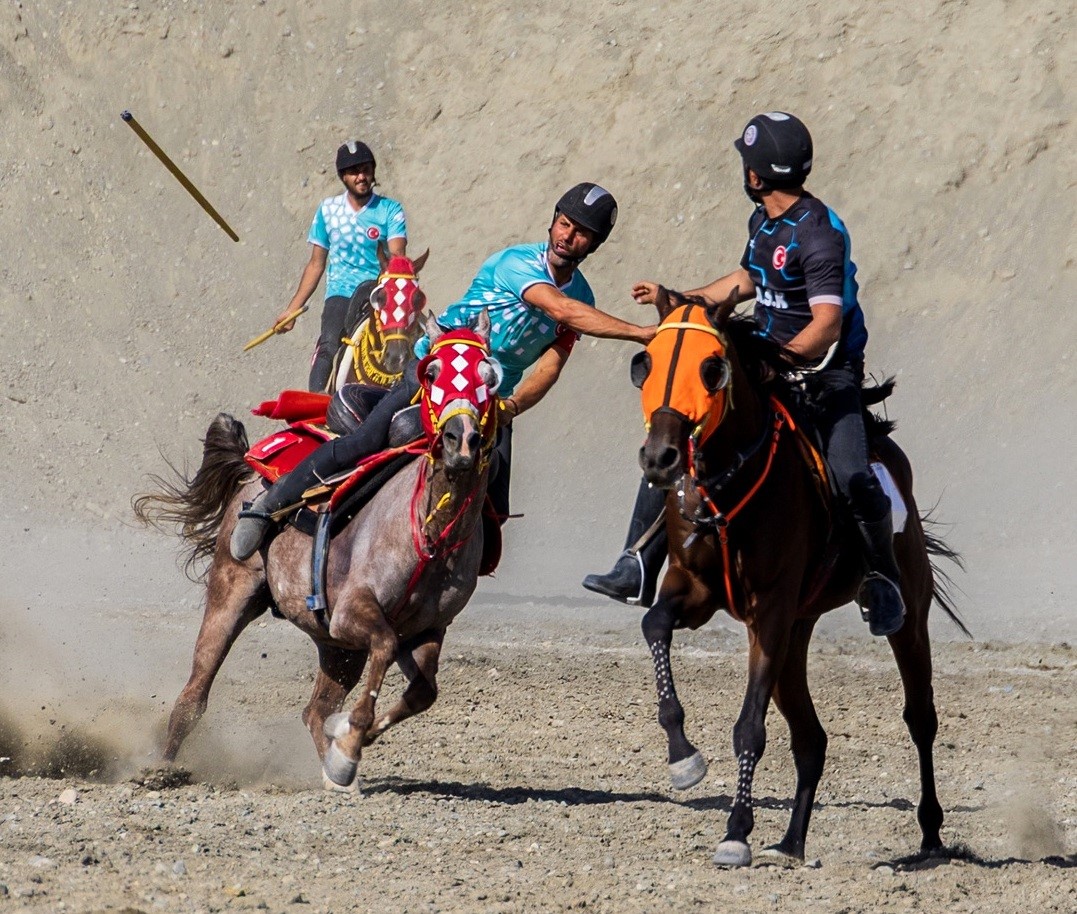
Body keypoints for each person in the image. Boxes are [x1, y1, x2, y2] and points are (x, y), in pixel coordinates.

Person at [582, 112, 906, 637]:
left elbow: (826, 324)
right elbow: (744, 281)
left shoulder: (818, 234)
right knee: (680, 428)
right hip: (765, 362)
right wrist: (679, 299)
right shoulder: (765, 222)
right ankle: (637, 561)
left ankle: (883, 578)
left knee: (851, 474)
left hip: (825, 376)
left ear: (756, 175)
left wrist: (777, 360)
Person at [230, 182, 656, 561]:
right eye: (564, 224)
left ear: (594, 244)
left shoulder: (583, 296)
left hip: (486, 399)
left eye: (581, 233)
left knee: (494, 508)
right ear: (553, 221)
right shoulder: (516, 263)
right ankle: (267, 507)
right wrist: (641, 333)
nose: (567, 236)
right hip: (436, 375)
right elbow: (560, 309)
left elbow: (551, 364)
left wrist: (511, 406)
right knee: (368, 442)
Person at [273, 140, 408, 392]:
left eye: (366, 170)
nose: (361, 177)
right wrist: (292, 310)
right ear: (343, 176)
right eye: (354, 172)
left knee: (410, 343)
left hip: (381, 292)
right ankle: (315, 403)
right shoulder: (328, 210)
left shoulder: (390, 209)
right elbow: (316, 264)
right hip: (342, 291)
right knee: (329, 343)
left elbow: (398, 256)